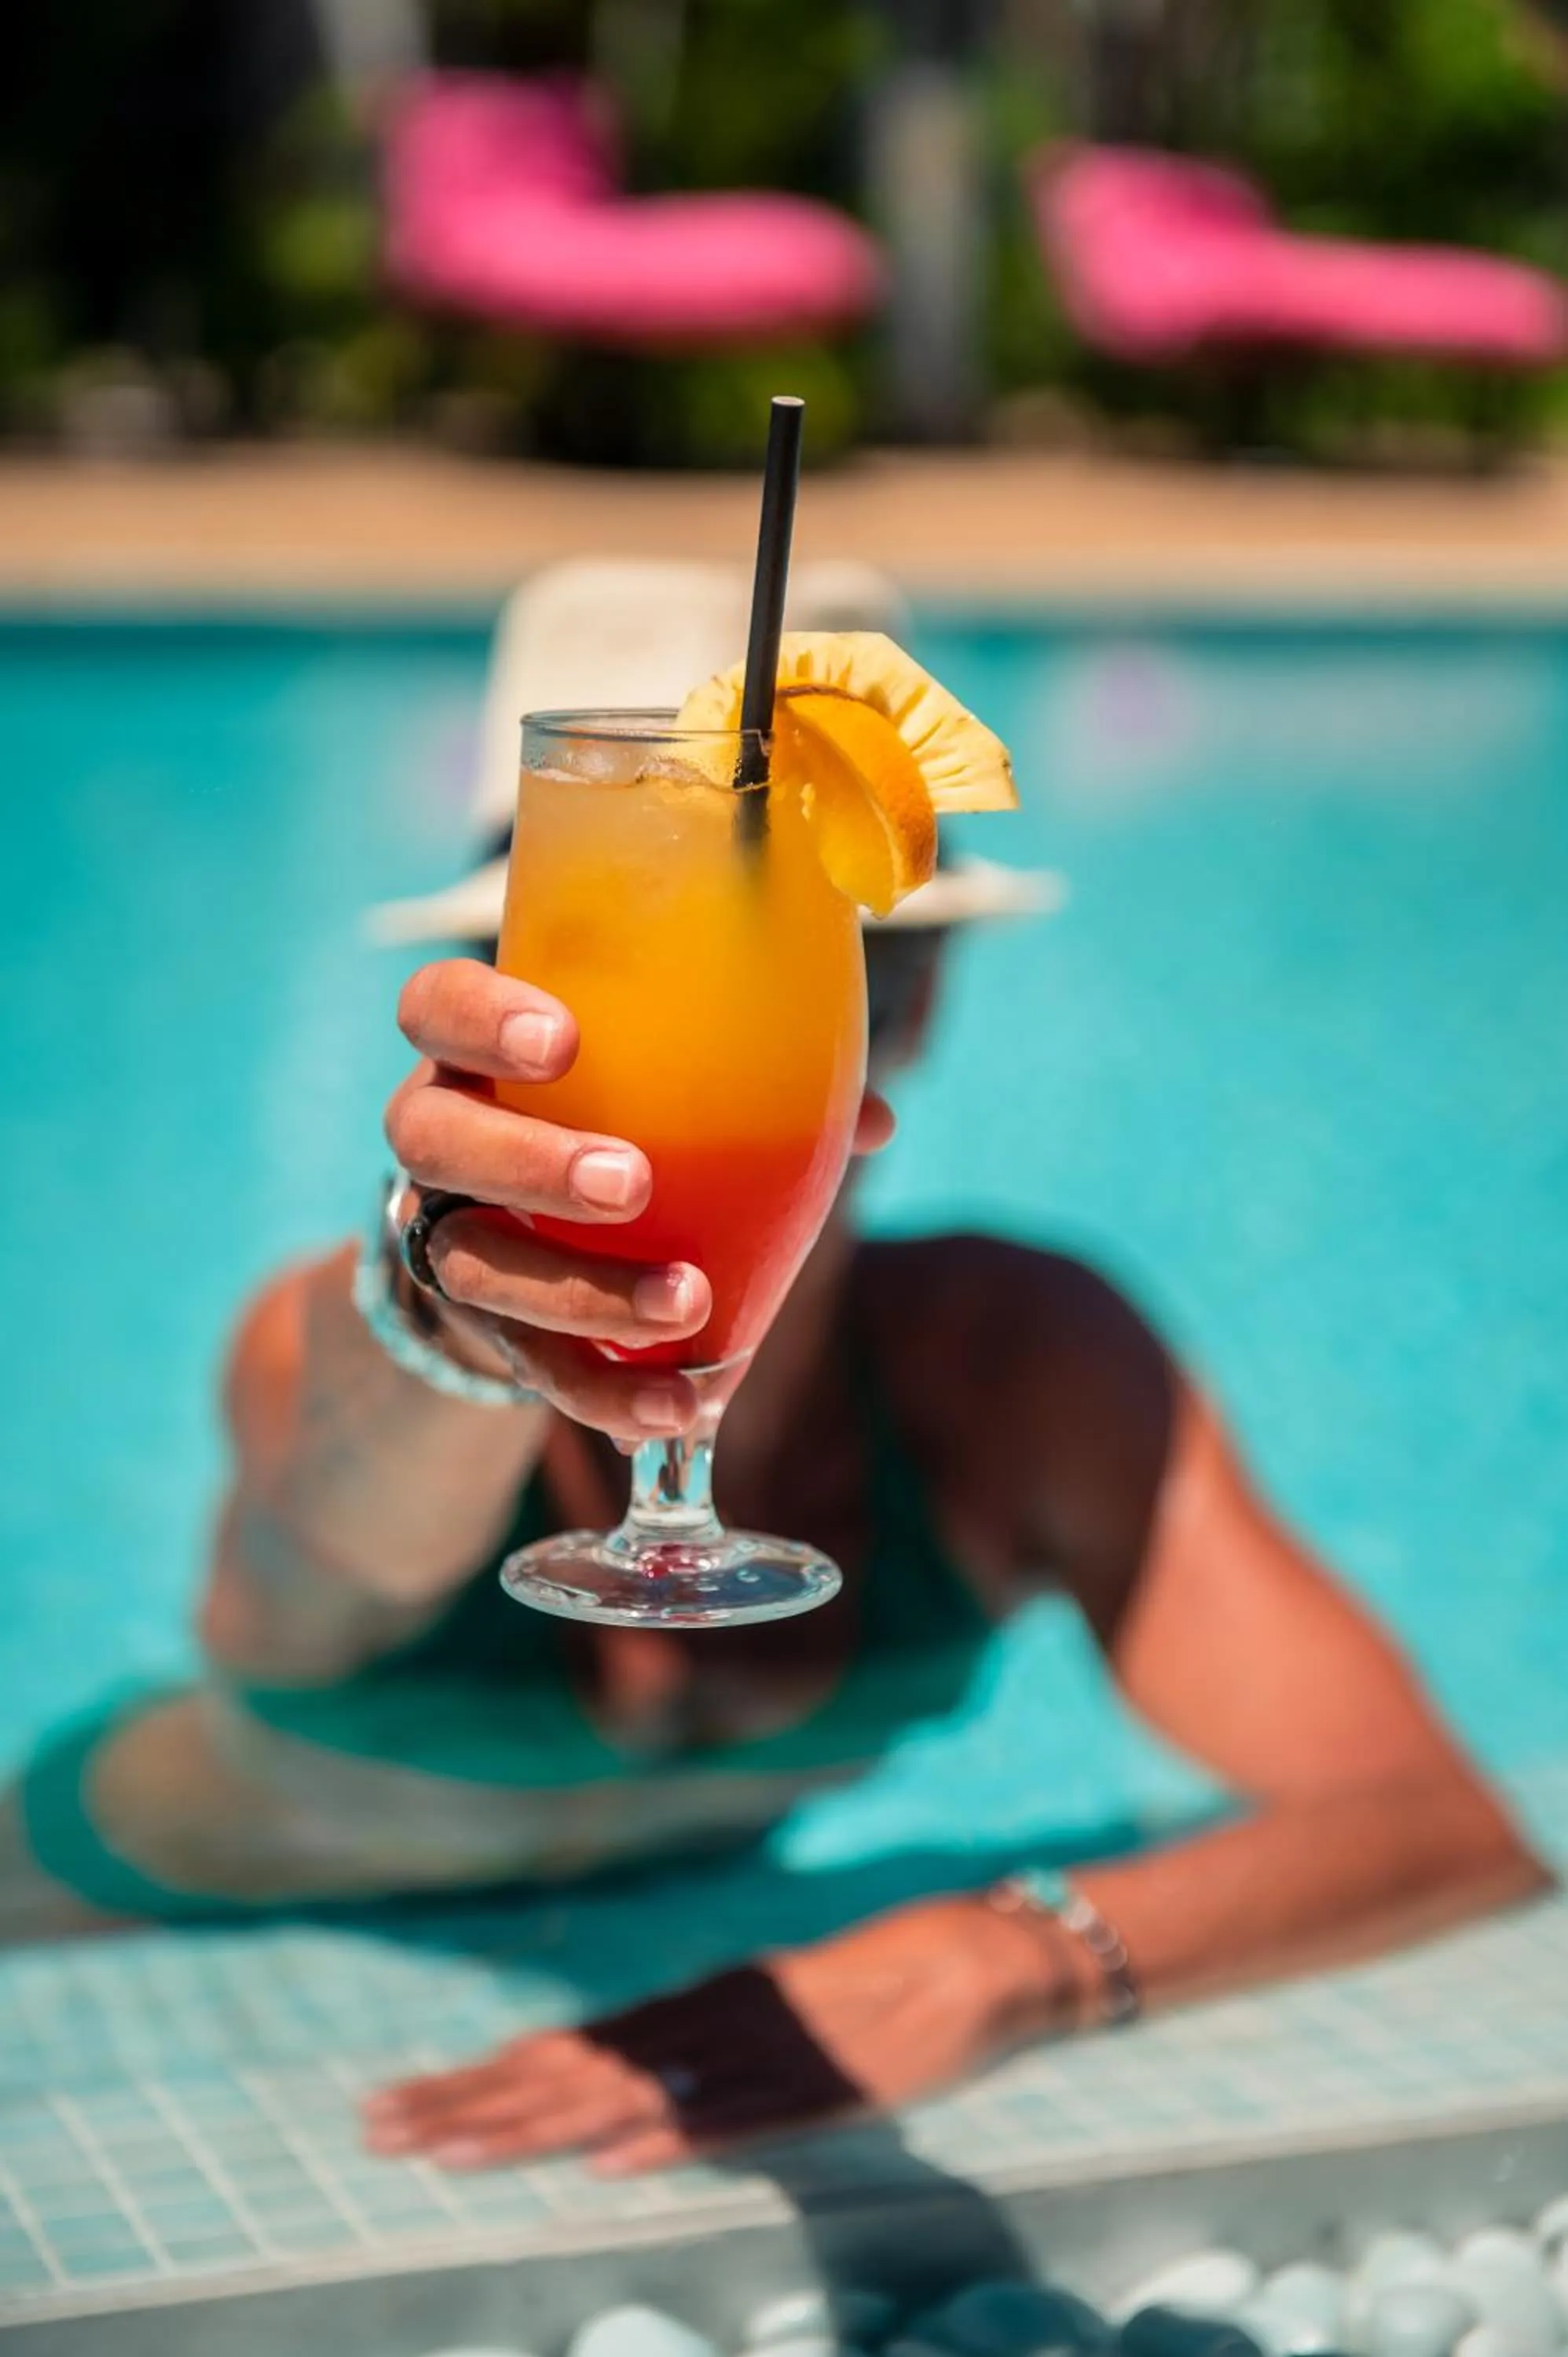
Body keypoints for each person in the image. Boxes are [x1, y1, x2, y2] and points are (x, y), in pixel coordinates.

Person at [2, 571, 1548, 2178]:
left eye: (791, 921)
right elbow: (333, 1534)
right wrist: (453, 1311)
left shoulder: (1014, 1369)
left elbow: (1436, 1828)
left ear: (912, 995)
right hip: (93, 1919)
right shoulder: (334, 1343)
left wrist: (985, 1960)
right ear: (519, 984)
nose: (695, 981)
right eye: (628, 938)